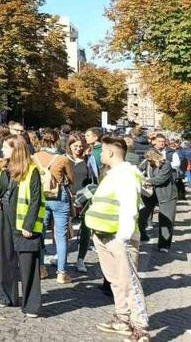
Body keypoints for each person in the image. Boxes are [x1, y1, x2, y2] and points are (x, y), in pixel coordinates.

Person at [85, 135, 149, 342]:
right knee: (115, 281)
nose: (100, 153)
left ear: (111, 152)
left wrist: (123, 237)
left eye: (102, 151)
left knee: (129, 282)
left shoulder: (127, 175)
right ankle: (122, 318)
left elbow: (130, 207)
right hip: (104, 234)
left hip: (119, 236)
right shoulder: (113, 174)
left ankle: (140, 328)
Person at [0, 134, 45, 317]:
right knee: (5, 259)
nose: (1, 149)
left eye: (5, 146)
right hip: (3, 218)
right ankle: (5, 296)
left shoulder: (32, 171)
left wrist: (29, 224)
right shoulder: (1, 167)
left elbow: (36, 199)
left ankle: (31, 305)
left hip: (22, 223)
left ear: (16, 149)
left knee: (28, 264)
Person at [33, 129, 74, 283]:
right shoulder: (62, 159)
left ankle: (41, 268)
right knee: (61, 236)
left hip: (41, 198)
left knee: (40, 233)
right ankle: (62, 273)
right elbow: (71, 179)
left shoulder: (34, 157)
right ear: (57, 140)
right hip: (59, 196)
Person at [138, 149, 177, 252]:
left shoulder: (166, 164)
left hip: (167, 194)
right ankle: (143, 236)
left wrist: (145, 181)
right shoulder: (147, 163)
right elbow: (139, 172)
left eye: (150, 160)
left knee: (166, 220)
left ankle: (164, 245)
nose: (148, 162)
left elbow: (160, 179)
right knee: (141, 215)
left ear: (154, 158)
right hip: (150, 194)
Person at [67, 133, 94, 273]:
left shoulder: (89, 160)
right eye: (75, 146)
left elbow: (93, 180)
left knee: (85, 229)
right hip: (67, 197)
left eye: (80, 146)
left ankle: (81, 259)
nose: (78, 149)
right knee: (64, 229)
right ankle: (61, 257)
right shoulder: (64, 159)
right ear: (69, 146)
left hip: (85, 198)